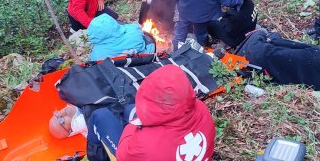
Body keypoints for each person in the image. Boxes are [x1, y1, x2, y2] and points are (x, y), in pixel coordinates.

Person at [49, 65, 216, 161]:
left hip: (135, 152)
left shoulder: (145, 145)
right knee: (129, 109)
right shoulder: (201, 109)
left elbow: (125, 150)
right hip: (173, 141)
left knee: (100, 116)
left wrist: (134, 123)